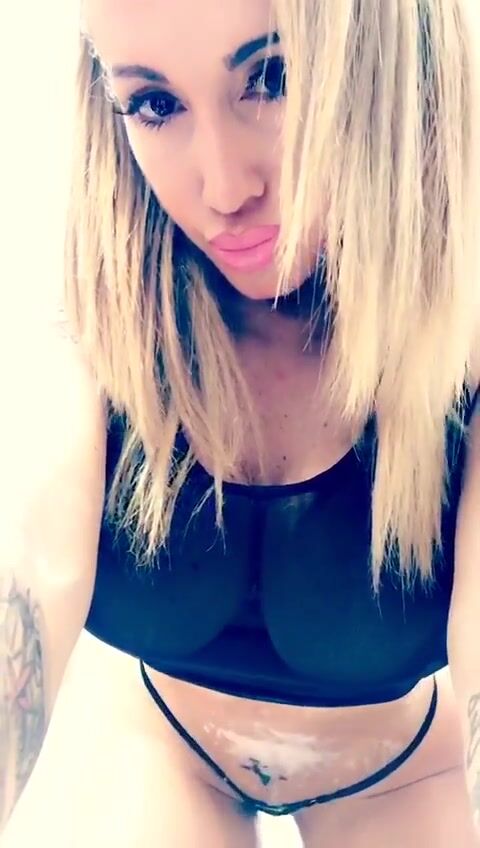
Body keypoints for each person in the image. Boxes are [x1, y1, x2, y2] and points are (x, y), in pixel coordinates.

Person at [2, 0, 480, 845]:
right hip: (164, 746)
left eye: (274, 77)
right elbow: (30, 564)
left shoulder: (460, 349)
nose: (225, 189)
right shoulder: (97, 325)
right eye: (155, 104)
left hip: (400, 774)